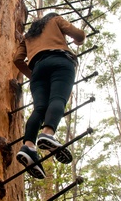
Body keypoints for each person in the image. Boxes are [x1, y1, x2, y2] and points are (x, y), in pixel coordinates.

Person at [13, 12, 85, 179]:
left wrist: (34, 76)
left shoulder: (28, 36)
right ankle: (47, 133)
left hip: (37, 68)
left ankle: (28, 146)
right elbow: (79, 34)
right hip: (60, 61)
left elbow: (17, 59)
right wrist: (78, 41)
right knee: (58, 99)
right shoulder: (55, 20)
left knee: (39, 108)